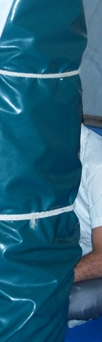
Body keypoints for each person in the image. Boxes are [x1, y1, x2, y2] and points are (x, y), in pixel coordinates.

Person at [69, 124, 102, 325]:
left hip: (96, 260)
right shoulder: (46, 152)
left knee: (73, 301)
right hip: (73, 250)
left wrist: (51, 280)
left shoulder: (97, 166)